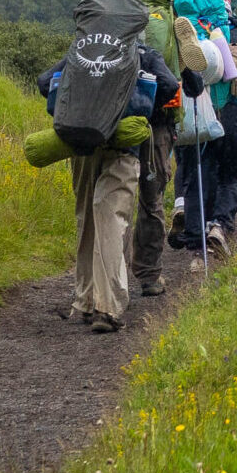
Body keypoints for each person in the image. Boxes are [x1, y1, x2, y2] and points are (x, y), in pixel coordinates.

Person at [39, 32, 177, 333]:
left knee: (86, 219)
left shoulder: (81, 51)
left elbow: (43, 81)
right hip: (122, 147)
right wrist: (144, 113)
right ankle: (108, 307)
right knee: (111, 219)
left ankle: (85, 301)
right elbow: (169, 85)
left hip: (82, 147)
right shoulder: (144, 53)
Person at [168, 0, 237, 266]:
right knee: (232, 172)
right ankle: (219, 225)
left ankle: (195, 251)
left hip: (190, 113)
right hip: (228, 112)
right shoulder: (234, 34)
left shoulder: (173, 37)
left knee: (194, 176)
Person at [109, 0, 181, 298]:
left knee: (116, 199)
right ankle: (149, 274)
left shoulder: (110, 22)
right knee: (151, 200)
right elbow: (183, 79)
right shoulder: (171, 21)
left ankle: (114, 275)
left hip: (116, 123)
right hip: (158, 125)